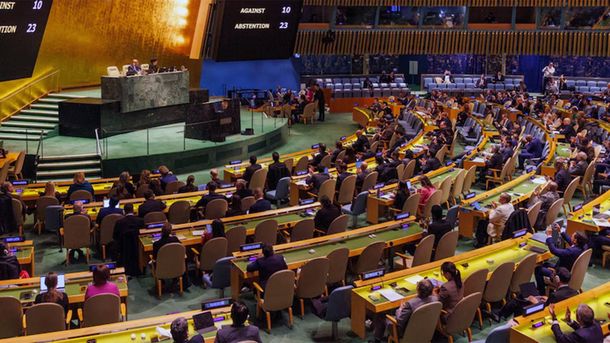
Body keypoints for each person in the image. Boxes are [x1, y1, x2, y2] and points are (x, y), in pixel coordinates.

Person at [496, 267, 578, 320]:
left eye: (554, 275)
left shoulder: (555, 295)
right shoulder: (575, 292)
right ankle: (502, 314)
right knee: (522, 297)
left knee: (521, 299)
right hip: (560, 313)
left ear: (557, 279)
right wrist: (546, 299)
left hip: (544, 315)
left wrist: (535, 301)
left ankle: (502, 314)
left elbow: (545, 310)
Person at [371, 279, 437, 343]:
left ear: (418, 290)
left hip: (406, 333)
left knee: (382, 314)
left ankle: (377, 339)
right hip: (426, 330)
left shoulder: (410, 304)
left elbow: (399, 320)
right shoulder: (435, 299)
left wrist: (400, 309)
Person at [534, 224, 588, 295]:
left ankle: (541, 292)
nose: (571, 235)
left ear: (575, 240)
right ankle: (548, 289)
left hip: (561, 275)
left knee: (538, 269)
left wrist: (549, 236)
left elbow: (554, 251)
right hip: (568, 269)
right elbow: (570, 241)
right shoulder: (583, 246)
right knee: (546, 264)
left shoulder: (571, 252)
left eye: (572, 235)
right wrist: (561, 231)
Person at [112, 203, 143, 276]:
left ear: (124, 211)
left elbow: (114, 236)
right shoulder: (140, 221)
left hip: (123, 248)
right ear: (133, 210)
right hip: (137, 246)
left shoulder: (119, 222)